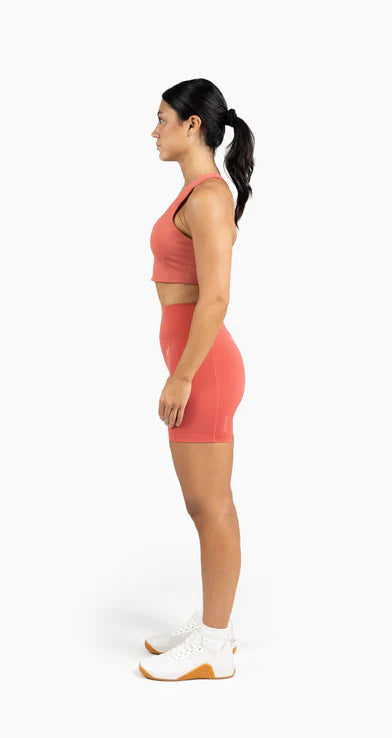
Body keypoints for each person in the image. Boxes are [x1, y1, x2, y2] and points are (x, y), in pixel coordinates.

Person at [138, 78, 255, 681]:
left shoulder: (208, 197)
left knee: (212, 506)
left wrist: (181, 378)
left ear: (192, 125)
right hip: (193, 365)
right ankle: (214, 625)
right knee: (201, 503)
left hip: (202, 369)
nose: (153, 131)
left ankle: (214, 644)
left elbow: (215, 299)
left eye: (162, 119)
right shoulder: (195, 193)